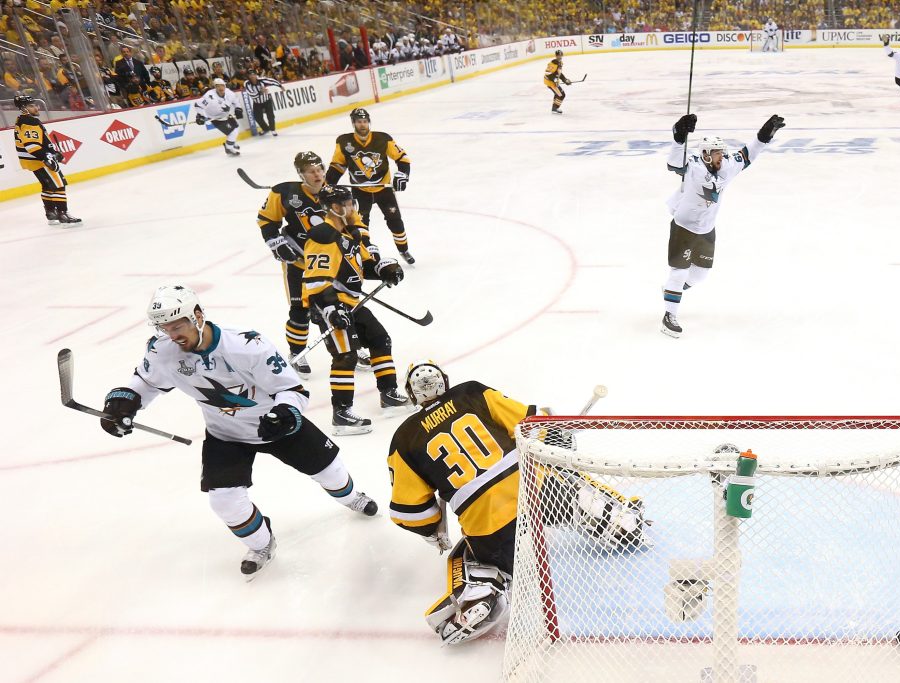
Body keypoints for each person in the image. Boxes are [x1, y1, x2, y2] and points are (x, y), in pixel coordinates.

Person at [99, 284, 377, 579]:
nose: (172, 334)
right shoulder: (162, 350)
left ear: (197, 315)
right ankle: (261, 543)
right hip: (226, 434)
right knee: (224, 501)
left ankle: (350, 497)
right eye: (164, 327)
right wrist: (124, 402)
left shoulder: (247, 345)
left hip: (273, 425)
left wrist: (284, 413)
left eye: (177, 325)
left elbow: (292, 389)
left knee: (331, 472)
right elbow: (146, 383)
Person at [388, 361, 650, 644]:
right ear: (445, 381)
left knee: (466, 554)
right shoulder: (472, 392)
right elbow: (531, 423)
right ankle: (615, 518)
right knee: (566, 482)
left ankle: (482, 591)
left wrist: (431, 532)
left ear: (412, 394)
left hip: (488, 523)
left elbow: (411, 511)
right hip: (535, 489)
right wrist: (555, 434)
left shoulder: (403, 439)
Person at [660, 112, 785, 337]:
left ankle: (672, 290)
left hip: (707, 229)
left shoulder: (726, 166)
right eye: (717, 153)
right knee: (679, 272)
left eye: (722, 153)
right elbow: (673, 164)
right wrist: (679, 136)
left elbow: (748, 155)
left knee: (700, 275)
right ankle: (669, 316)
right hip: (684, 227)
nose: (721, 157)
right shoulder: (695, 167)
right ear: (706, 155)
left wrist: (764, 135)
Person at [303, 185, 410, 435]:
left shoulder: (350, 233)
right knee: (346, 356)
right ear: (335, 208)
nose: (353, 208)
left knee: (379, 338)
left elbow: (359, 268)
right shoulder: (323, 236)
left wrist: (385, 270)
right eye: (348, 204)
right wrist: (330, 310)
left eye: (352, 202)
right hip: (331, 306)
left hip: (351, 303)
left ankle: (389, 393)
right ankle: (341, 413)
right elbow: (316, 280)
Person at [257, 151, 331, 378]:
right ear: (301, 174)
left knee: (334, 307)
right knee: (300, 310)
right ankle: (297, 353)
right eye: (311, 171)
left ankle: (344, 348)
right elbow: (267, 220)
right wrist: (276, 243)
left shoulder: (334, 193)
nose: (317, 175)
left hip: (327, 262)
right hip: (297, 261)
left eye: (320, 169)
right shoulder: (285, 193)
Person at [326, 108, 416, 265]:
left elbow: (402, 157)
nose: (362, 125)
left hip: (383, 189)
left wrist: (403, 174)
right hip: (360, 191)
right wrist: (327, 184)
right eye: (359, 122)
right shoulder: (344, 142)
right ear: (353, 123)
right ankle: (367, 255)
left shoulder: (383, 139)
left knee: (395, 221)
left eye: (365, 121)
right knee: (360, 224)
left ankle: (403, 250)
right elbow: (337, 166)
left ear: (369, 122)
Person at [13, 93, 81, 225]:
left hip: (32, 161)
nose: (36, 108)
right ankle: (63, 214)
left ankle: (50, 212)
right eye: (32, 106)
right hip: (39, 160)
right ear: (23, 108)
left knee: (47, 186)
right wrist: (47, 157)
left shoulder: (20, 119)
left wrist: (53, 152)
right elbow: (32, 145)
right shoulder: (30, 121)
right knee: (59, 185)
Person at [194, 77, 244, 156]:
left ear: (225, 85)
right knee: (232, 132)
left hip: (226, 115)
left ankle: (231, 143)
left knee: (236, 127)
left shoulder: (229, 93)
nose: (220, 88)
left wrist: (238, 109)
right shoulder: (210, 96)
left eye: (222, 85)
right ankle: (229, 148)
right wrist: (201, 115)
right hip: (216, 118)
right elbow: (197, 105)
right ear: (215, 87)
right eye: (218, 86)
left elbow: (236, 101)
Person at [242, 69, 283, 136]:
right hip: (257, 103)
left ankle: (273, 130)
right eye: (250, 75)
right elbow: (252, 94)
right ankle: (266, 129)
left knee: (270, 116)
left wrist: (280, 86)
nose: (252, 76)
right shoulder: (246, 83)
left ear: (256, 75)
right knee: (257, 117)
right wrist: (261, 92)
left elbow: (272, 81)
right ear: (248, 76)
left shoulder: (262, 80)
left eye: (254, 74)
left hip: (267, 101)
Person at [544, 49, 571, 114]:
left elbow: (559, 74)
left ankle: (554, 108)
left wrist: (565, 80)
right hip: (550, 82)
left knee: (559, 94)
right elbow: (548, 74)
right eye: (558, 55)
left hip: (554, 82)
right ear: (556, 56)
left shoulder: (560, 63)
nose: (560, 57)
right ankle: (555, 108)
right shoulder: (552, 64)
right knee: (561, 95)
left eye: (561, 55)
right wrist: (555, 80)